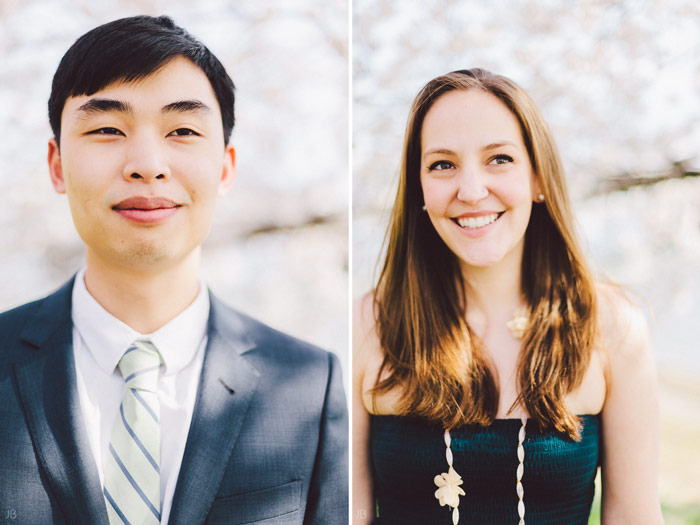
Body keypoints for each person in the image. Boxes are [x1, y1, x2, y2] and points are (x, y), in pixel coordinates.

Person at [0, 15, 347, 525]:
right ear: (56, 165)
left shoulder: (308, 386)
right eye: (106, 129)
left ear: (226, 167)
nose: (147, 163)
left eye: (182, 130)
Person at [353, 69, 662, 524]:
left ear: (538, 176)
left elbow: (635, 516)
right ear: (419, 188)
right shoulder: (369, 322)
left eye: (499, 158)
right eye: (442, 164)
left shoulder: (611, 325)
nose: (472, 190)